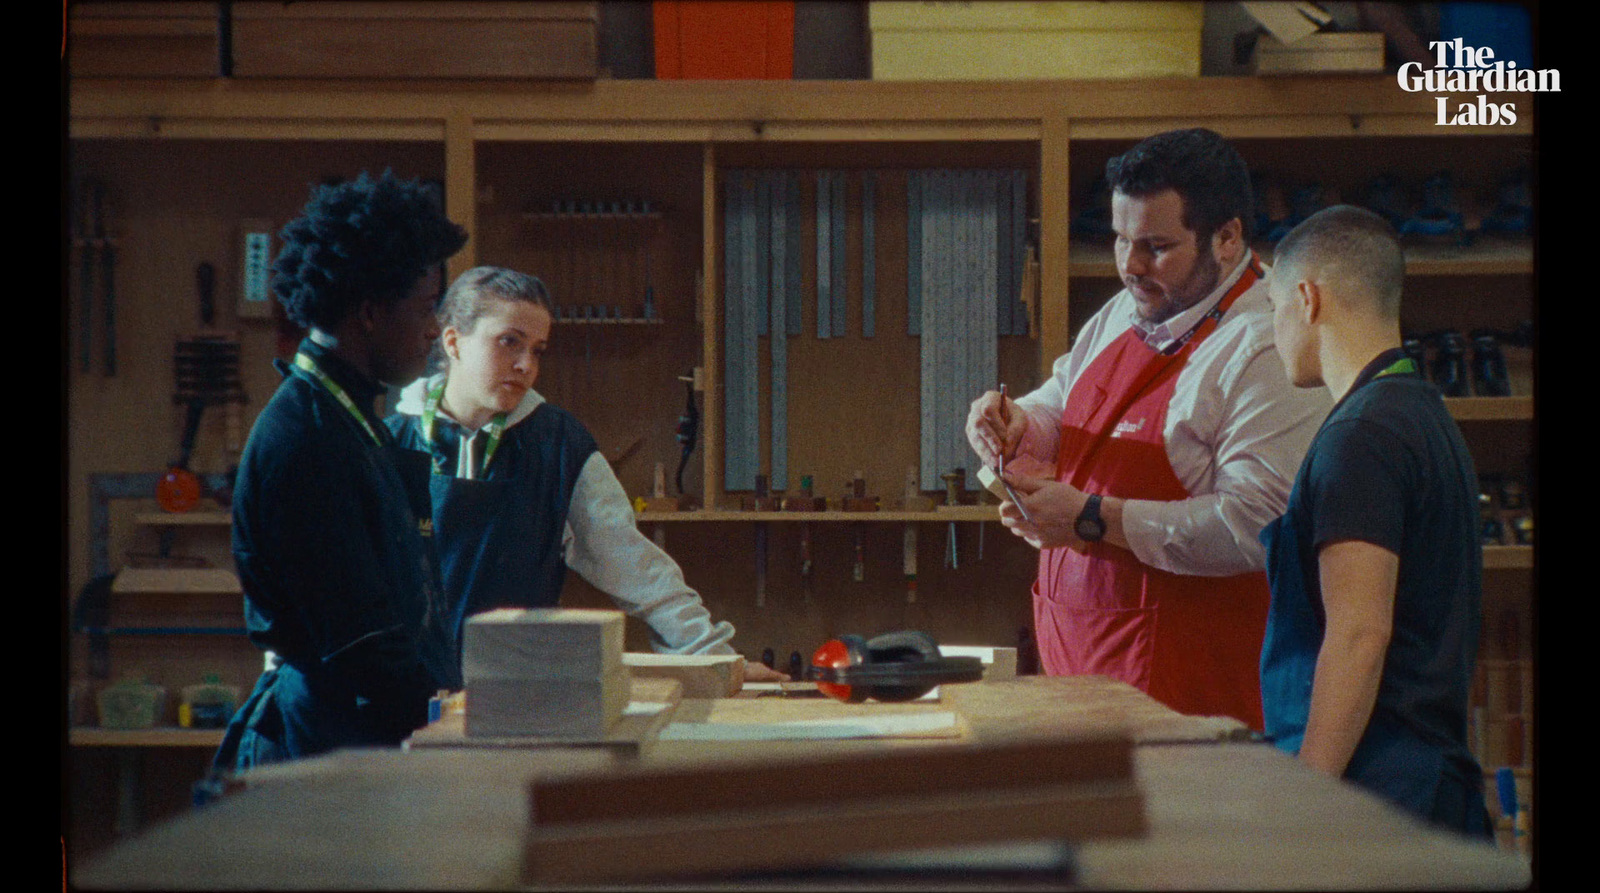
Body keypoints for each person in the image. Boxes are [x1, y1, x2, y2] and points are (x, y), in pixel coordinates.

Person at [967, 128, 1330, 728]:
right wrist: (1015, 424)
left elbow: (1254, 528)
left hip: (1188, 692)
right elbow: (1063, 403)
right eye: (1120, 240)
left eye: (1156, 246)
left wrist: (1089, 518)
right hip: (1080, 666)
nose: (1131, 266)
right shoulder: (1130, 308)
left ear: (1227, 236)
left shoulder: (1265, 347)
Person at [384, 266, 786, 683]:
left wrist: (715, 659)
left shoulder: (560, 443)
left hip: (518, 691)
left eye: (538, 350)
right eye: (509, 342)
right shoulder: (389, 444)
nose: (526, 365)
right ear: (453, 341)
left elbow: (635, 566)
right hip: (405, 694)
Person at [214, 171, 469, 770]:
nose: (434, 329)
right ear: (371, 312)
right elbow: (364, 646)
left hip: (362, 734)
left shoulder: (349, 416)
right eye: (427, 308)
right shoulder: (307, 438)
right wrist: (458, 725)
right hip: (325, 746)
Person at [1259, 205, 1491, 837]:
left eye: (1273, 306)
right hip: (1423, 784)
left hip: (1384, 794)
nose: (1272, 329)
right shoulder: (1419, 412)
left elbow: (1359, 634)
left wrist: (1308, 794)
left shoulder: (1360, 437)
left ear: (1307, 299)